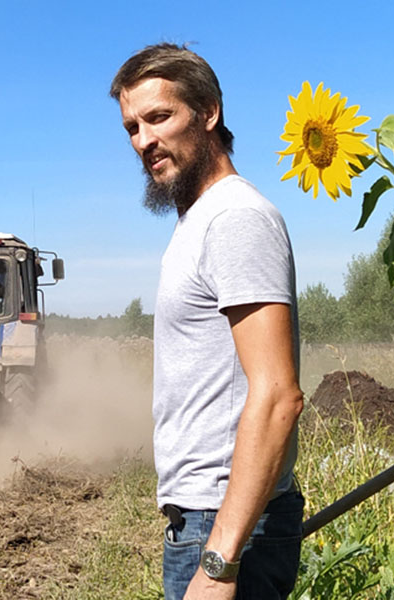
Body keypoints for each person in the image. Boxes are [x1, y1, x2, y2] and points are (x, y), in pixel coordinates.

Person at [110, 43, 305, 600]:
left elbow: (277, 396)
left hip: (223, 525)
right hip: (208, 520)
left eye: (158, 117)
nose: (144, 140)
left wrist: (220, 561)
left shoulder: (235, 219)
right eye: (131, 127)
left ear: (209, 112)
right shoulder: (199, 221)